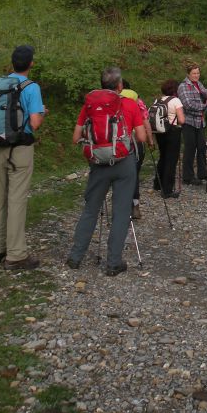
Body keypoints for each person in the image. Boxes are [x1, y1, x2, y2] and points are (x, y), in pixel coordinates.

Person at [66, 67, 146, 276]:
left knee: (90, 210)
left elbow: (75, 138)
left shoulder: (90, 106)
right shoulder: (129, 104)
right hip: (124, 163)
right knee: (121, 212)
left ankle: (75, 257)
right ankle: (113, 262)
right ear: (120, 86)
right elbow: (142, 137)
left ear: (101, 85)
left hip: (98, 164)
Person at [0, 44, 47, 270]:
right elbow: (34, 123)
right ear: (31, 63)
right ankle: (16, 255)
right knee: (16, 200)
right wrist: (41, 112)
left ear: (12, 62)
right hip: (19, 150)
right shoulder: (31, 88)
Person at [178, 64, 207, 185]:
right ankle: (188, 176)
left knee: (202, 147)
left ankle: (202, 173)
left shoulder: (199, 84)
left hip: (200, 122)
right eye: (194, 73)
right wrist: (205, 105)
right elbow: (188, 104)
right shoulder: (183, 87)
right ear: (188, 74)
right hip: (188, 122)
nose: (196, 75)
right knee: (190, 148)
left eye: (198, 73)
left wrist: (206, 99)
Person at [121, 81, 151, 220]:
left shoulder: (112, 101)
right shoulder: (137, 101)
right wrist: (150, 139)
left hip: (117, 142)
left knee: (121, 175)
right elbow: (145, 121)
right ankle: (135, 206)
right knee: (134, 175)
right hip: (135, 142)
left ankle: (122, 206)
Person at [152, 79, 185, 198]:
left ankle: (157, 183)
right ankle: (167, 189)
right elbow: (181, 120)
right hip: (172, 131)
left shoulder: (158, 99)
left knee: (163, 156)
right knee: (171, 160)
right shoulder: (176, 100)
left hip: (159, 131)